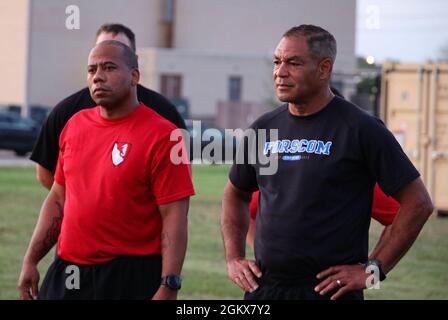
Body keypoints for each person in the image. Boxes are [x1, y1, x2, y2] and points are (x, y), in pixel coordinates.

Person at [220, 24, 433, 300]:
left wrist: (373, 271)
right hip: (265, 289)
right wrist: (234, 258)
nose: (279, 72)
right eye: (277, 62)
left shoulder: (361, 128)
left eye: (293, 63)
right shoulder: (263, 128)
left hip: (330, 292)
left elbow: (419, 203)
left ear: (324, 69)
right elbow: (235, 194)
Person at [18, 40, 195, 300]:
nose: (98, 77)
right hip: (69, 271)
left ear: (134, 76)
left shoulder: (165, 135)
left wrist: (169, 283)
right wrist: (31, 260)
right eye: (92, 70)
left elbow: (174, 215)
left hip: (130, 274)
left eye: (109, 68)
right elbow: (58, 197)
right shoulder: (74, 125)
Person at [30, 23, 186, 190]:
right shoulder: (67, 112)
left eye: (113, 62)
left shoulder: (163, 111)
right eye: (101, 49)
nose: (108, 55)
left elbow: (180, 175)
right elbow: (45, 170)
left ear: (135, 64)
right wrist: (77, 204)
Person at [246, 184, 400, 248]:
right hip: (275, 287)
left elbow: (400, 215)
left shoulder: (351, 166)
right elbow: (244, 209)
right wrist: (261, 253)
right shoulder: (282, 164)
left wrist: (372, 271)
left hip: (332, 288)